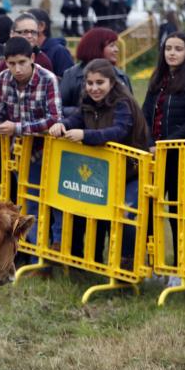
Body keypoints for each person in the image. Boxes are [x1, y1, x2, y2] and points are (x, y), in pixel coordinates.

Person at [48, 58, 149, 267]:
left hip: (132, 171)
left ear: (112, 83)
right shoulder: (87, 102)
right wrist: (61, 125)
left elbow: (119, 131)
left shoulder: (123, 103)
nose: (94, 88)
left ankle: (127, 267)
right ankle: (84, 263)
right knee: (86, 212)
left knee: (127, 215)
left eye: (100, 83)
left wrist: (85, 135)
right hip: (103, 171)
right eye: (90, 83)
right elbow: (74, 119)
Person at [142, 31, 185, 285]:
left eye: (178, 48)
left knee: (175, 211)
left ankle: (179, 268)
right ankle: (152, 263)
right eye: (168, 48)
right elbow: (145, 113)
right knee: (148, 210)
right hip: (152, 155)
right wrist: (148, 142)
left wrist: (166, 145)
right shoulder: (157, 79)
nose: (172, 53)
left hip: (180, 157)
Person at [0, 36, 61, 248]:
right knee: (26, 203)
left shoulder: (48, 79)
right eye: (11, 64)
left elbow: (54, 118)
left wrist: (17, 127)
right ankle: (32, 250)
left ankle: (50, 250)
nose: (17, 69)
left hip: (45, 152)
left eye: (22, 62)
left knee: (49, 203)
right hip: (17, 153)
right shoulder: (3, 78)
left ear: (32, 58)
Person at [59, 27, 132, 116]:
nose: (116, 49)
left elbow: (131, 109)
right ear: (97, 47)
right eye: (112, 45)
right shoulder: (71, 75)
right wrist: (84, 113)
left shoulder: (121, 76)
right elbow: (58, 108)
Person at [0, 14, 53, 94]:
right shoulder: (8, 58)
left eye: (33, 32)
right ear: (12, 34)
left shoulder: (43, 61)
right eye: (25, 32)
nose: (29, 36)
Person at [27, 9, 75, 77]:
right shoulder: (25, 51)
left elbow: (69, 82)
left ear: (41, 26)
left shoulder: (59, 51)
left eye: (27, 24)